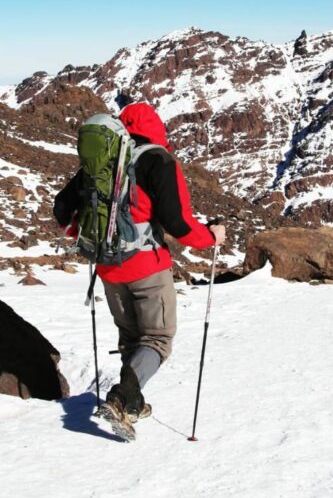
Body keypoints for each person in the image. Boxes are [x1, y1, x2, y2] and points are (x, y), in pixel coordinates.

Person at [53, 102, 226, 434]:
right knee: (157, 339)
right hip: (146, 266)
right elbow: (179, 223)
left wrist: (88, 237)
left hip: (107, 268)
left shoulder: (105, 158)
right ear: (157, 128)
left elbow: (63, 208)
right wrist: (211, 237)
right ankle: (122, 398)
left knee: (132, 337)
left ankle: (131, 402)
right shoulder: (158, 160)